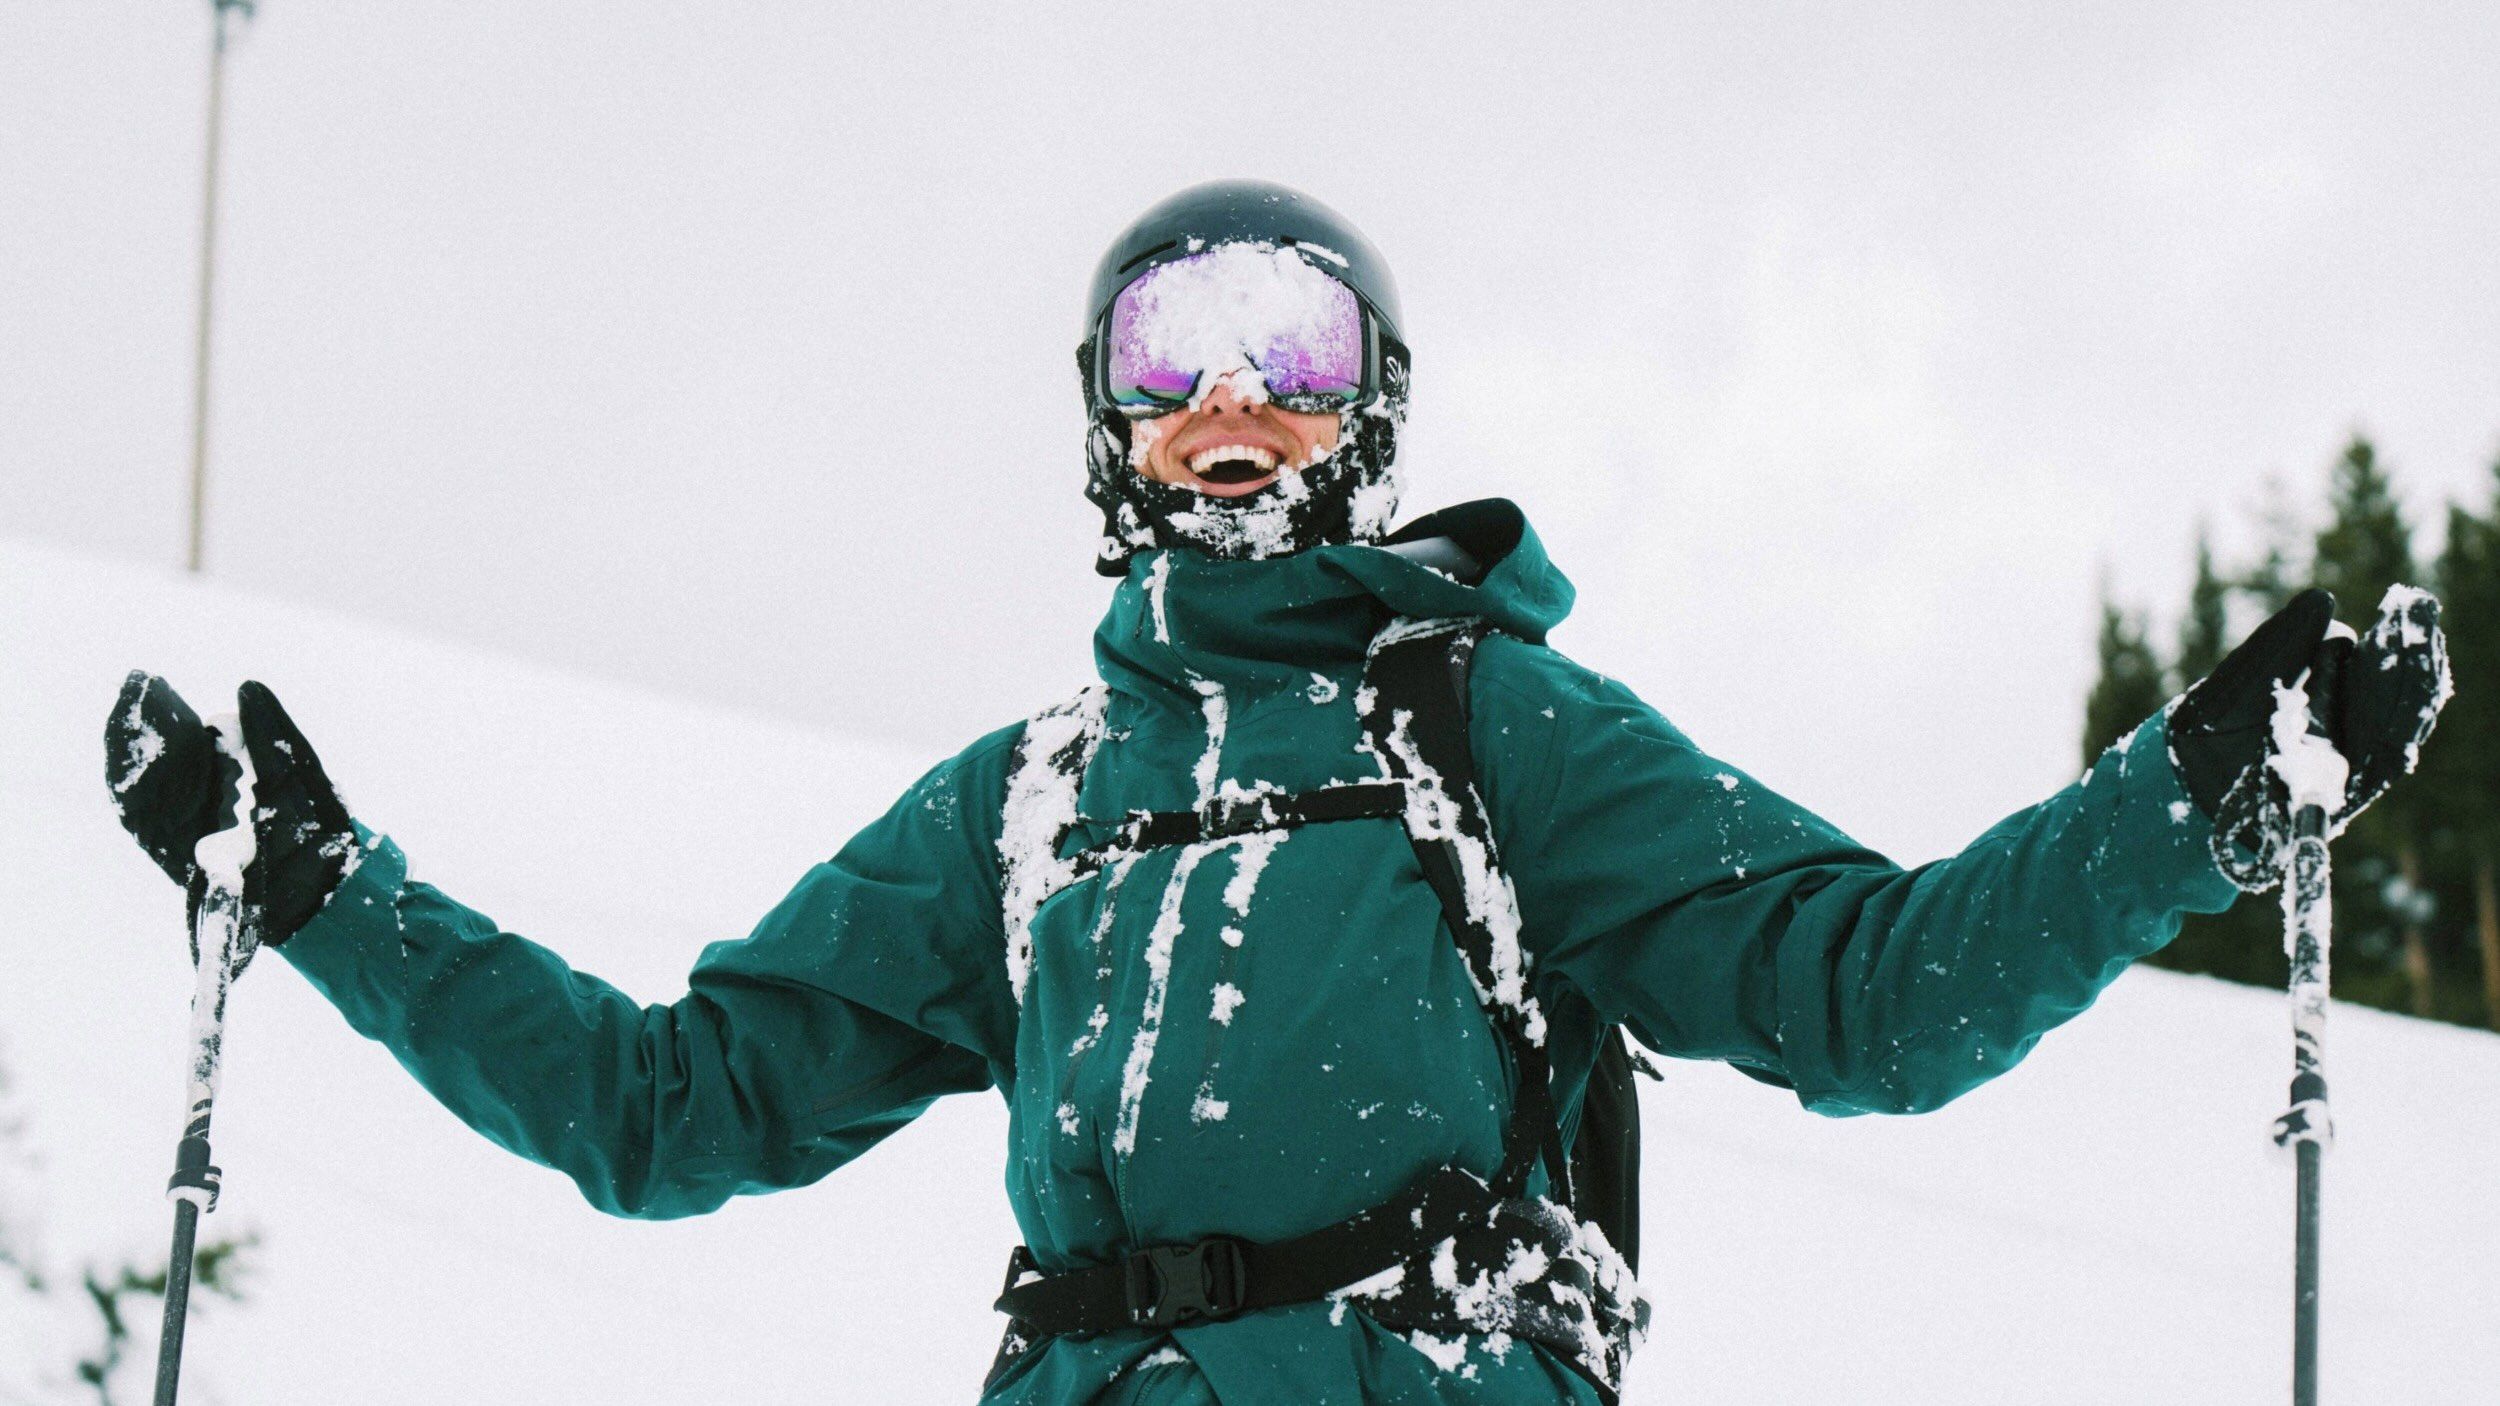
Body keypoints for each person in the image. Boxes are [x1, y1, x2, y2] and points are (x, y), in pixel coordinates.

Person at [104, 180, 2451, 1405]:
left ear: (1369, 422)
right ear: (1107, 431)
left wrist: (2196, 798)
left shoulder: (1486, 732)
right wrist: (324, 896)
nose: (1233, 398)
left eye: (1292, 353)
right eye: (1173, 355)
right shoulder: (1019, 812)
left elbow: (1871, 997)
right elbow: (667, 1107)